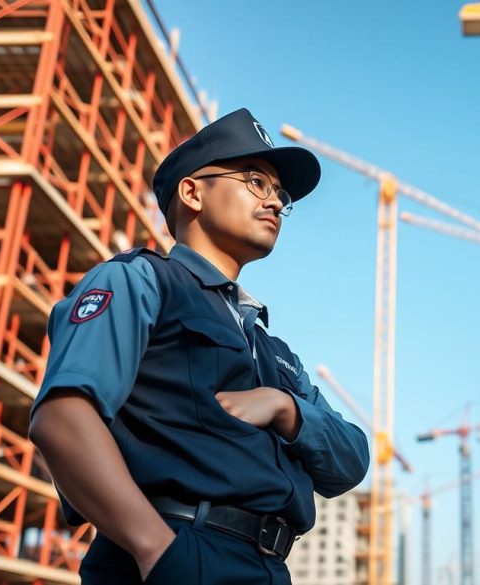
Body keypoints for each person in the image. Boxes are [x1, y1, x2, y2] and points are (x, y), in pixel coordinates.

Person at [29, 108, 370, 584]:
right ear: (192, 192)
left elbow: (352, 460)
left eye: (279, 193)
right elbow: (62, 420)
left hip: (268, 566)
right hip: (178, 549)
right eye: (255, 181)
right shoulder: (140, 281)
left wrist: (286, 408)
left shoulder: (275, 353)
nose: (274, 201)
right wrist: (157, 550)